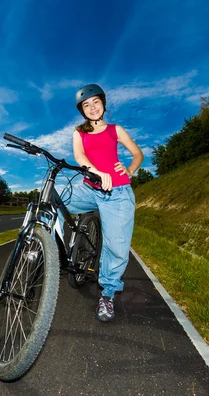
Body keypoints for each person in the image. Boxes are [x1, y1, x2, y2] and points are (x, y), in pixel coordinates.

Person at [63, 83, 144, 322]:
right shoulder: (79, 132)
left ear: (103, 103)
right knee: (54, 200)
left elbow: (138, 154)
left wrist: (129, 170)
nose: (92, 107)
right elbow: (80, 157)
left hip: (118, 193)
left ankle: (107, 294)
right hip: (89, 188)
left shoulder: (115, 130)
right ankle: (43, 248)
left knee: (116, 248)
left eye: (95, 102)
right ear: (82, 111)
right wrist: (96, 172)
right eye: (86, 105)